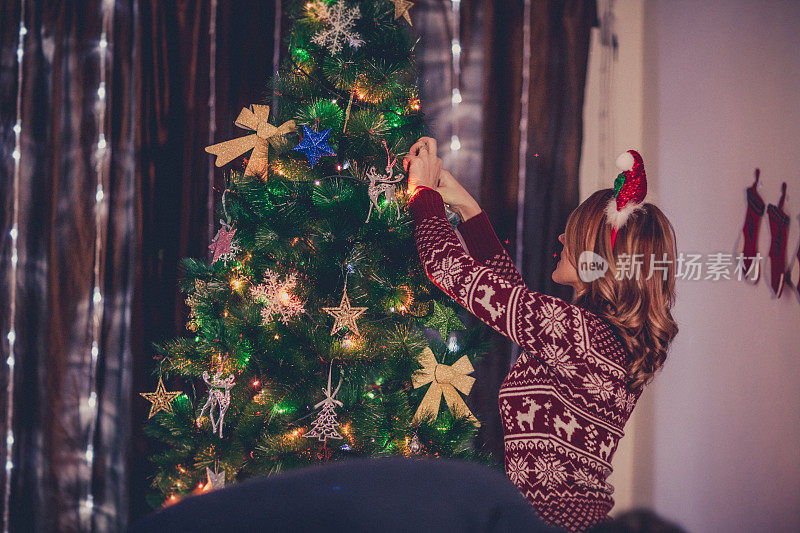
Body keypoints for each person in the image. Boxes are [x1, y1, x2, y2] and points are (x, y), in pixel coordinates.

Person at [404, 137, 679, 532]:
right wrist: (468, 208)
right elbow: (511, 298)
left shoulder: (577, 334)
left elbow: (449, 269)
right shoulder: (592, 337)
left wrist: (423, 195)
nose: (562, 239)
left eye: (572, 233)